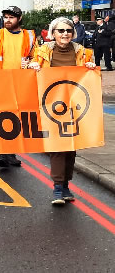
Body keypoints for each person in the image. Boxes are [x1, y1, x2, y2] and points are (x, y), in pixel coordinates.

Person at [27, 17, 96, 205]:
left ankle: (65, 185)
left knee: (71, 148)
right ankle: (58, 188)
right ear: (53, 33)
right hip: (51, 106)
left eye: (68, 30)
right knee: (57, 146)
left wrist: (89, 67)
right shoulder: (42, 52)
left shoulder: (83, 52)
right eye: (60, 31)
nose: (65, 33)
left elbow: (88, 78)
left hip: (75, 106)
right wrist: (33, 66)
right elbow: (29, 71)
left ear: (73, 33)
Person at [0, 5, 36, 168]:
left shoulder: (30, 36)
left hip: (20, 85)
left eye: (11, 17)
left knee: (16, 120)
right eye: (5, 17)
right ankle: (3, 152)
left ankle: (9, 152)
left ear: (19, 19)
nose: (7, 20)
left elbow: (37, 58)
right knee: (2, 118)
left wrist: (31, 62)